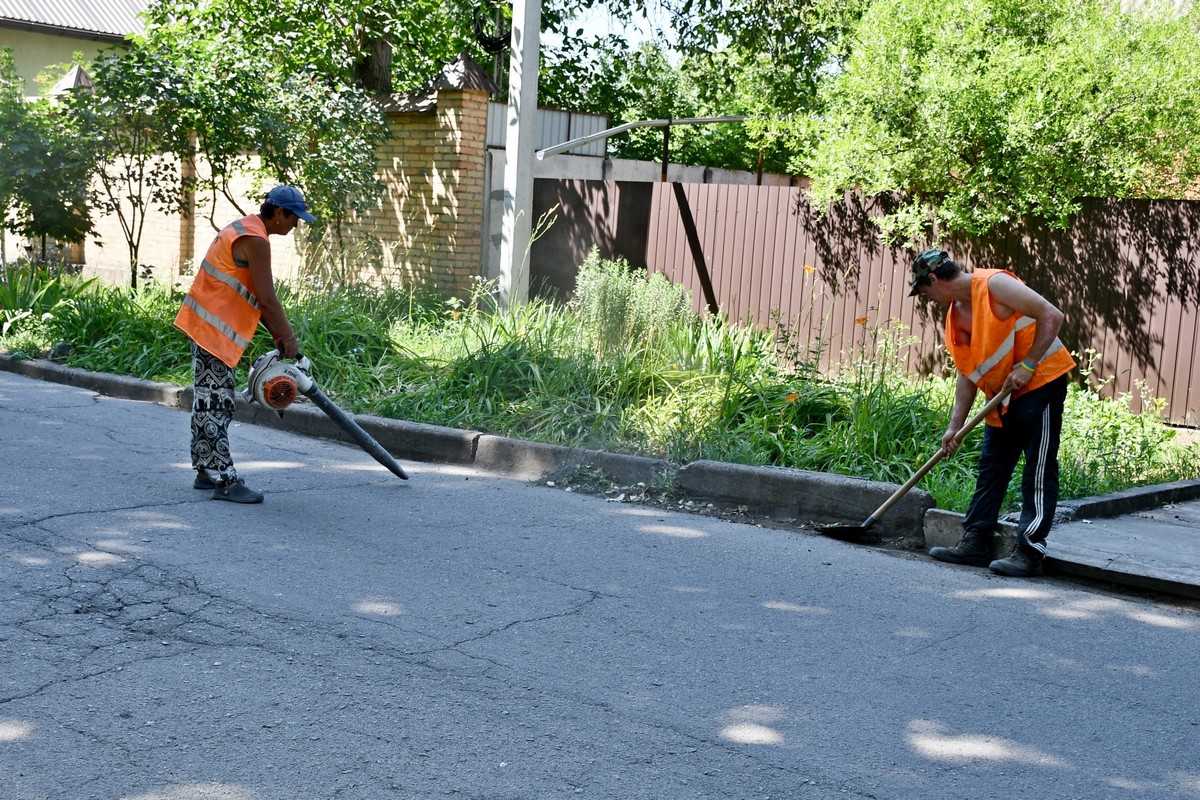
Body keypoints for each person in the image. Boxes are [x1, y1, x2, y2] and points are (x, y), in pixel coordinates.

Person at [908, 248, 1076, 577]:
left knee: (1038, 470)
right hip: (1002, 394)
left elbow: (1052, 315)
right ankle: (976, 541)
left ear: (933, 279)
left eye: (925, 291)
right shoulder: (956, 315)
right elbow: (967, 373)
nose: (927, 299)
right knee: (992, 467)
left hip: (1041, 383)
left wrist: (1029, 365)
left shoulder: (994, 284)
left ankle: (1030, 551)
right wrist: (953, 427)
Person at [173, 186, 316, 504]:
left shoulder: (244, 228)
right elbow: (266, 297)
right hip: (213, 332)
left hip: (205, 326)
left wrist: (277, 334)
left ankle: (205, 472)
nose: (296, 225)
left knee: (206, 401)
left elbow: (253, 297)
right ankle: (224, 480)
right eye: (294, 218)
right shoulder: (256, 239)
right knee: (217, 404)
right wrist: (289, 336)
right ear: (279, 212)